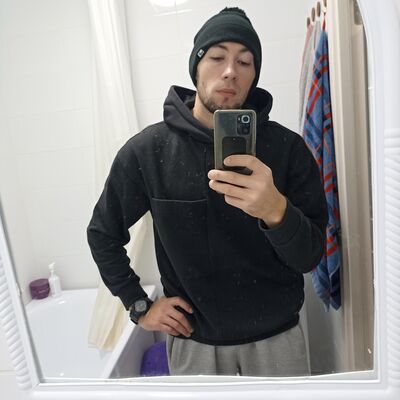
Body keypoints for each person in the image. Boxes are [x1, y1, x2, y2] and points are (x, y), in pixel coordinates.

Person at [87, 7, 328, 377]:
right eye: (217, 57)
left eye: (245, 62)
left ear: (254, 76)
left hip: (278, 339)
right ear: (196, 67)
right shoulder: (147, 151)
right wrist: (138, 305)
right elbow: (102, 234)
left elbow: (310, 256)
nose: (230, 71)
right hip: (194, 343)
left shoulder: (288, 149)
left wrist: (275, 210)